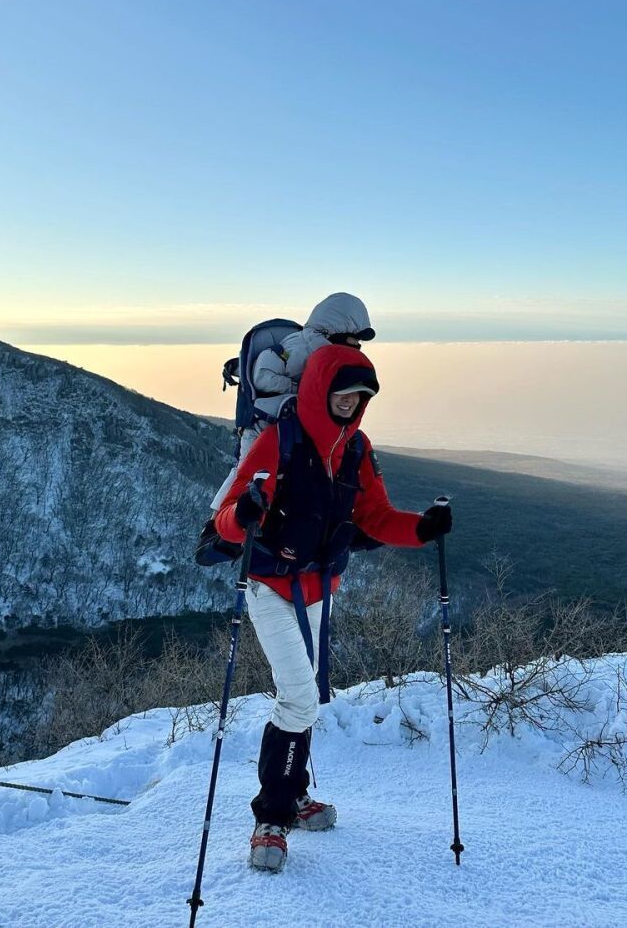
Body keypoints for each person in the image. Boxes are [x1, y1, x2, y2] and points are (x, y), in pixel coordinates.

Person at [214, 342, 452, 873]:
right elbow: (228, 518)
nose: (350, 404)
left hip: (319, 588)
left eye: (360, 397)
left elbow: (375, 516)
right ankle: (270, 819)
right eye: (343, 394)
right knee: (298, 697)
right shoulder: (280, 441)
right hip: (271, 586)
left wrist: (421, 527)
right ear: (321, 389)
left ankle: (292, 797)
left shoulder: (356, 450)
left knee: (306, 700)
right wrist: (246, 509)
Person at [209, 293, 375, 512]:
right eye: (355, 338)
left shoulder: (321, 348)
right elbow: (263, 376)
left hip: (292, 430)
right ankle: (218, 530)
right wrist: (304, 393)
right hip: (263, 428)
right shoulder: (302, 347)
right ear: (335, 328)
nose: (357, 345)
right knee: (247, 481)